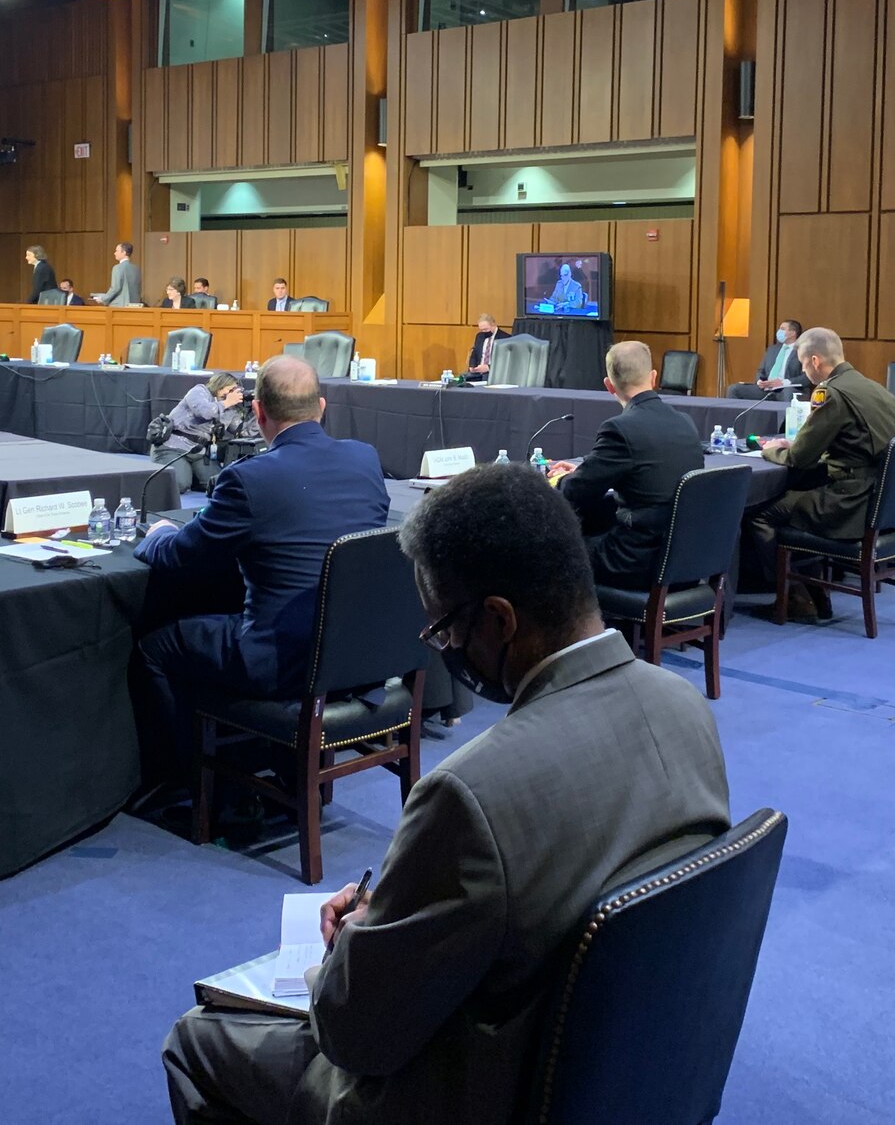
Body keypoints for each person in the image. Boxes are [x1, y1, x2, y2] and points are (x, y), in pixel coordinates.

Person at [159, 463, 731, 1125]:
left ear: (497, 620)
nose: (445, 648)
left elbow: (355, 1036)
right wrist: (411, 900)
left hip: (475, 1099)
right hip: (623, 1072)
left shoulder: (469, 794)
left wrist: (353, 942)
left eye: (443, 631)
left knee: (196, 1038)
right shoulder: (686, 707)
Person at [132, 356, 387, 785]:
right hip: (354, 656)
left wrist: (155, 534)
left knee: (155, 646)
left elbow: (182, 557)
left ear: (258, 412)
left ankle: (187, 783)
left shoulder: (248, 479)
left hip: (280, 661)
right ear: (321, 407)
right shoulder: (365, 459)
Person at [743, 327, 895, 621]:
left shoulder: (831, 393)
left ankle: (794, 596)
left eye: (803, 364)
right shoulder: (878, 390)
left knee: (761, 514)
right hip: (878, 500)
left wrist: (769, 449)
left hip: (847, 504)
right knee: (798, 503)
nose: (805, 370)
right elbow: (856, 443)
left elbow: (798, 458)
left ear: (815, 361)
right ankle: (814, 594)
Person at [549, 340, 704, 590]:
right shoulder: (685, 422)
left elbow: (576, 491)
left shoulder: (619, 429)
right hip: (686, 559)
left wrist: (558, 479)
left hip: (636, 562)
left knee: (552, 553)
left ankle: (574, 629)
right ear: (653, 377)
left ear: (609, 385)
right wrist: (584, 472)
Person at [157, 371, 247, 492]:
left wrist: (259, 414)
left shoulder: (230, 408)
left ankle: (190, 472)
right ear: (219, 385)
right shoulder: (199, 391)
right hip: (174, 447)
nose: (231, 394)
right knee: (179, 485)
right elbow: (204, 411)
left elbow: (243, 431)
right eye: (230, 389)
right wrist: (227, 402)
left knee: (218, 484)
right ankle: (176, 469)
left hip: (200, 452)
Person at [727, 317, 807, 400]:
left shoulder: (803, 351)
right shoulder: (772, 350)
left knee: (788, 393)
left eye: (782, 329)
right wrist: (760, 382)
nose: (779, 332)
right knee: (734, 389)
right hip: (766, 389)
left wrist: (783, 382)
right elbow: (761, 371)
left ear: (793, 333)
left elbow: (807, 377)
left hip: (786, 389)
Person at [95, 240, 141, 306]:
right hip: (135, 305)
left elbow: (115, 288)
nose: (114, 253)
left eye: (117, 251)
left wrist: (103, 299)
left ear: (124, 252)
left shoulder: (117, 268)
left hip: (120, 306)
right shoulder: (136, 269)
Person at [464, 313, 500, 381]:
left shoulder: (505, 338)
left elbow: (504, 361)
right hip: (477, 373)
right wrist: (472, 366)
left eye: (486, 329)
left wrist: (489, 367)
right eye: (481, 330)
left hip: (493, 373)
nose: (483, 332)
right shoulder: (479, 336)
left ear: (493, 325)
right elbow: (474, 353)